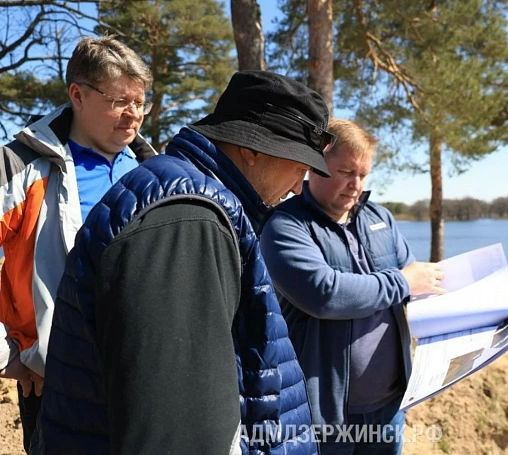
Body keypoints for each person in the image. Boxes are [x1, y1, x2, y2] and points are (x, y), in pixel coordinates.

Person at [32, 71, 331, 454]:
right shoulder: (187, 222)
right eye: (298, 167)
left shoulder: (191, 204)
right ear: (254, 149)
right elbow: (177, 435)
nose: (296, 187)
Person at [0, 36, 155, 452]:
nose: (135, 115)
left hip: (143, 377)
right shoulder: (19, 168)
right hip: (56, 381)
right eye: (121, 101)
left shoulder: (150, 171)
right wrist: (7, 353)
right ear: (77, 95)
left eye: (142, 103)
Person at [260, 119, 446, 455]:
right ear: (314, 166)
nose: (355, 184)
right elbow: (325, 294)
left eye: (363, 175)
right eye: (346, 172)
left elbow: (417, 284)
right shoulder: (285, 226)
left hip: (389, 405)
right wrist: (402, 281)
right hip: (324, 413)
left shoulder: (381, 219)